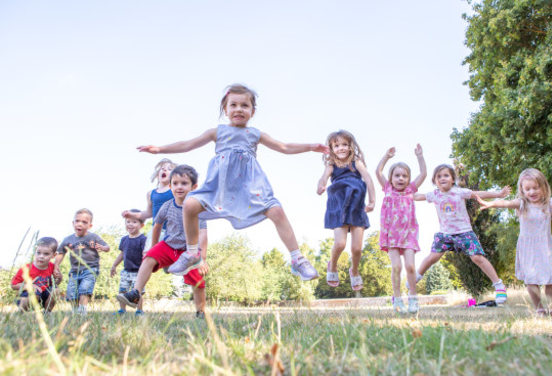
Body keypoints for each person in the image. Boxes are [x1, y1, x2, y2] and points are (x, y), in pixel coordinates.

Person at [136, 84, 328, 280]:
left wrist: (311, 146)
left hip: (249, 189)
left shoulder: (255, 134)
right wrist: (159, 149)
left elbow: (284, 146)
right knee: (190, 204)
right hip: (218, 189)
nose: (238, 109)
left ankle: (298, 259)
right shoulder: (216, 132)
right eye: (233, 105)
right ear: (225, 109)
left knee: (276, 210)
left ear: (252, 111)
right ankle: (193, 253)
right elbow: (187, 144)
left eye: (244, 105)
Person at [477, 169, 552, 315]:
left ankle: (551, 308)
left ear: (543, 187)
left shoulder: (549, 203)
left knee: (551, 278)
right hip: (527, 247)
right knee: (531, 279)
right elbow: (505, 203)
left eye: (535, 187)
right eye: (528, 189)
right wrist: (490, 204)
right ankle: (539, 308)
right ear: (522, 190)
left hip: (545, 246)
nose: (532, 192)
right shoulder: (521, 204)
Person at [117, 165, 208, 317]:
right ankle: (135, 293)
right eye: (175, 183)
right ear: (170, 186)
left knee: (197, 281)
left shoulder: (197, 208)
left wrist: (202, 258)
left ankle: (200, 311)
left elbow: (203, 233)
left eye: (184, 183)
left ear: (194, 187)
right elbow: (157, 225)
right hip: (169, 245)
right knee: (148, 259)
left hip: (189, 250)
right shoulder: (167, 206)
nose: (179, 187)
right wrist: (154, 246)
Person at [412, 164, 510, 305]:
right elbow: (416, 196)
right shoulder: (434, 194)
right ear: (435, 181)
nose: (442, 178)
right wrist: (401, 192)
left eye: (446, 175)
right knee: (433, 257)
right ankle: (415, 277)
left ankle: (499, 285)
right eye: (439, 176)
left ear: (453, 179)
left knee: (477, 258)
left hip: (464, 232)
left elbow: (478, 194)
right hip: (445, 234)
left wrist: (498, 194)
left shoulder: (459, 192)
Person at [316, 130, 375, 291]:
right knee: (340, 243)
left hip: (357, 206)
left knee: (356, 248)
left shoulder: (356, 162)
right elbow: (324, 177)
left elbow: (368, 179)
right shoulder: (331, 165)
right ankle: (332, 265)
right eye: (336, 145)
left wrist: (372, 200)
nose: (341, 148)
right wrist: (321, 185)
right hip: (338, 206)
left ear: (350, 146)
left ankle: (354, 270)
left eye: (344, 144)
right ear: (331, 148)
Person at [375, 144, 426, 313]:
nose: (401, 178)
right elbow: (378, 172)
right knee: (396, 267)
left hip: (409, 234)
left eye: (404, 176)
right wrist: (386, 157)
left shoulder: (410, 190)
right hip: (391, 235)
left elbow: (423, 174)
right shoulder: (387, 188)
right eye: (397, 175)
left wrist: (419, 156)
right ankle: (397, 299)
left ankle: (413, 298)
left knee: (411, 266)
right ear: (391, 178)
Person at [54, 209, 110, 315]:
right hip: (74, 270)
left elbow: (107, 247)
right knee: (71, 293)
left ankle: (83, 310)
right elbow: (61, 253)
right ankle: (75, 312)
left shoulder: (93, 237)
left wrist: (103, 247)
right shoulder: (68, 239)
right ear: (73, 223)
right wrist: (56, 265)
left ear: (90, 225)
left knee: (85, 289)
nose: (80, 224)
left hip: (90, 269)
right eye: (77, 221)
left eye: (84, 222)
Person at [122, 158, 176, 251]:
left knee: (171, 261)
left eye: (169, 169)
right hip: (155, 231)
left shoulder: (175, 190)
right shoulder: (151, 194)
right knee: (148, 256)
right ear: (158, 174)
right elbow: (148, 213)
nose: (164, 170)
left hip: (173, 232)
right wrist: (131, 214)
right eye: (162, 168)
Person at [111, 209, 147, 315]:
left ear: (142, 225)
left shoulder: (143, 239)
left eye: (134, 222)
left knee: (137, 292)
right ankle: (122, 310)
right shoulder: (124, 240)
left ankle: (139, 310)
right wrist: (114, 265)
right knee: (122, 291)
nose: (130, 224)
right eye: (128, 222)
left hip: (139, 271)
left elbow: (145, 254)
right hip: (126, 271)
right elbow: (122, 254)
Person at [11, 237, 62, 312]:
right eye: (38, 252)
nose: (41, 256)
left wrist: (59, 277)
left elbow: (55, 283)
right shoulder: (26, 268)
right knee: (34, 292)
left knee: (56, 290)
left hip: (43, 296)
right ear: (35, 251)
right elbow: (13, 285)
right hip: (26, 296)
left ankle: (47, 311)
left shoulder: (52, 267)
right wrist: (28, 286)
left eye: (46, 254)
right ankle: (22, 310)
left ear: (54, 255)